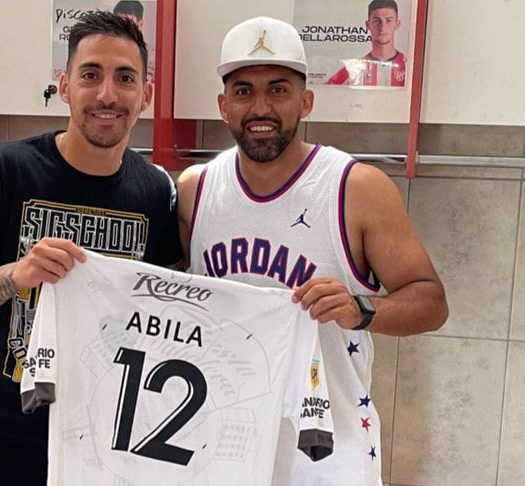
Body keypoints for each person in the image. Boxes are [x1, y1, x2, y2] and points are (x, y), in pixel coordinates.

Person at [177, 16, 448, 485]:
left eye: (278, 90)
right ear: (223, 106)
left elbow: (431, 302)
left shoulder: (355, 187)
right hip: (224, 445)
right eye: (243, 91)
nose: (260, 106)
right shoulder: (195, 190)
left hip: (329, 454)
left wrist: (361, 310)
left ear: (306, 101)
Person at [0, 11, 182, 486]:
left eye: (125, 78)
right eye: (91, 75)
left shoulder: (154, 191)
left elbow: (167, 310)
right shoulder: (8, 168)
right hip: (3, 440)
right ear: (65, 86)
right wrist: (16, 274)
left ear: (146, 95)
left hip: (104, 440)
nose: (107, 94)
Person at [325, 0, 405, 86]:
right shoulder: (353, 69)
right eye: (376, 21)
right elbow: (324, 91)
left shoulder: (408, 66)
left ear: (397, 24)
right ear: (368, 25)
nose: (382, 27)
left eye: (388, 21)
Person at [113, 1, 154, 82]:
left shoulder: (151, 56)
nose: (122, 28)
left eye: (129, 23)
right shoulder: (106, 50)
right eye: (118, 22)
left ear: (140, 24)